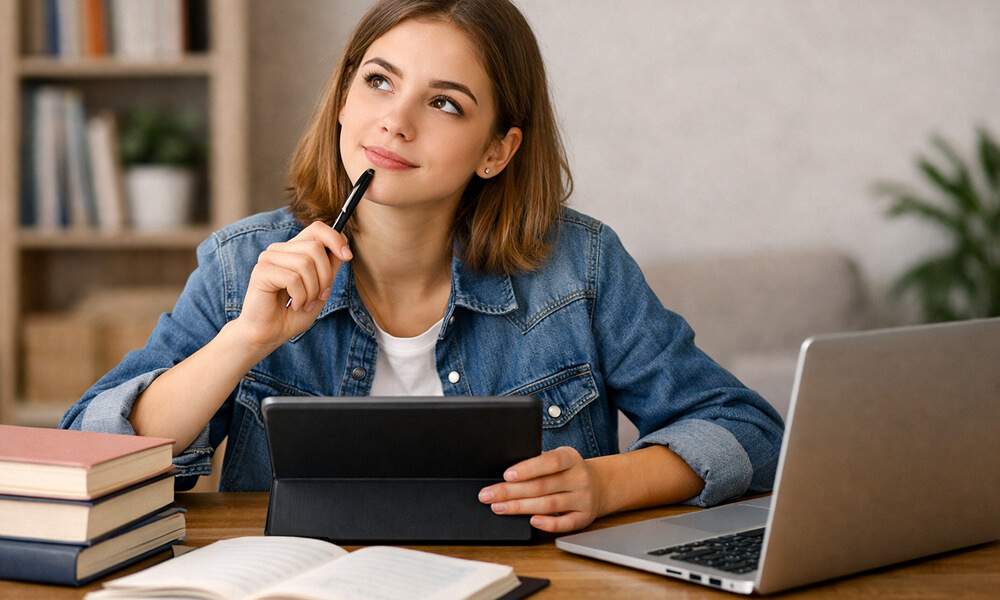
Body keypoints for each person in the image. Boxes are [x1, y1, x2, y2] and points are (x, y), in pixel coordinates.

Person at [61, 0, 783, 534]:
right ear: (344, 98)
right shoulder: (240, 265)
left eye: (444, 102)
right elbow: (90, 457)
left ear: (497, 150)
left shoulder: (582, 266)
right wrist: (242, 341)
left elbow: (749, 432)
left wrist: (608, 482)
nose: (395, 122)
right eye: (378, 82)